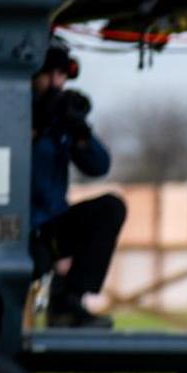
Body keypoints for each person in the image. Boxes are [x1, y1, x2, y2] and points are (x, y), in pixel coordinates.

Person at [32, 38, 125, 329]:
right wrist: (36, 127)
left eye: (62, 75)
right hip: (13, 227)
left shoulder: (59, 120)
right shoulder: (9, 112)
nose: (57, 83)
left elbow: (99, 166)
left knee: (110, 208)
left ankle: (69, 303)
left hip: (51, 224)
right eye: (51, 74)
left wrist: (79, 130)